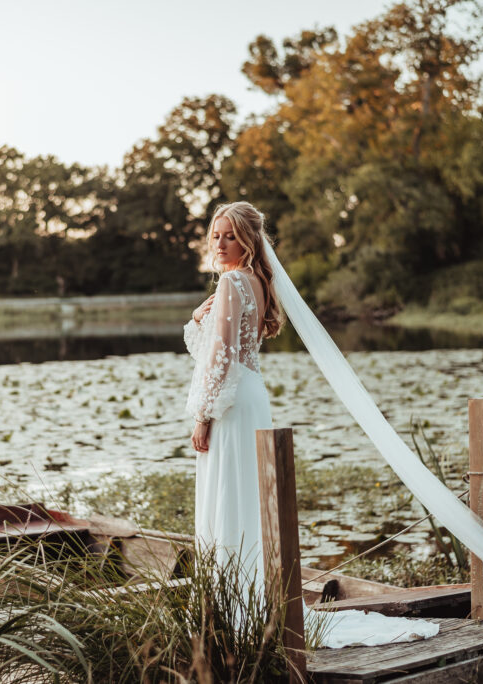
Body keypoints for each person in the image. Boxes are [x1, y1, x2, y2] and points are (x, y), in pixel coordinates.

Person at [184, 201, 438, 648]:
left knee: (232, 489)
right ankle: (250, 601)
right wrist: (198, 318)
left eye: (229, 236)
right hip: (251, 398)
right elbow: (226, 349)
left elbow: (219, 359)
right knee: (245, 492)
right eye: (215, 236)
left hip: (230, 402)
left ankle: (233, 610)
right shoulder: (259, 282)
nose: (220, 244)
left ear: (247, 240)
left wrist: (203, 416)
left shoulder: (231, 283)